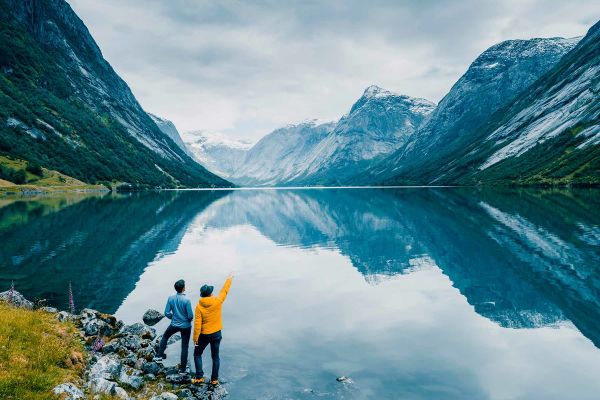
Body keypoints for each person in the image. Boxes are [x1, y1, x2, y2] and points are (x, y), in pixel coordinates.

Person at [191, 274, 234, 385]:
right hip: (216, 334)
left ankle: (199, 377)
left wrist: (195, 339)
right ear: (210, 293)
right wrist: (229, 279)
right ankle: (214, 380)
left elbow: (197, 324)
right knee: (215, 356)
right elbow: (225, 291)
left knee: (197, 354)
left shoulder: (199, 306)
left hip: (204, 335)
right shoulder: (217, 301)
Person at [154, 279, 194, 373]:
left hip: (174, 324)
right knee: (184, 347)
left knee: (165, 337)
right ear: (183, 288)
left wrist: (174, 318)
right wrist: (186, 320)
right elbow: (190, 316)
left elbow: (166, 313)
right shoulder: (187, 300)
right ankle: (183, 369)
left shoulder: (170, 298)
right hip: (186, 327)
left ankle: (159, 356)